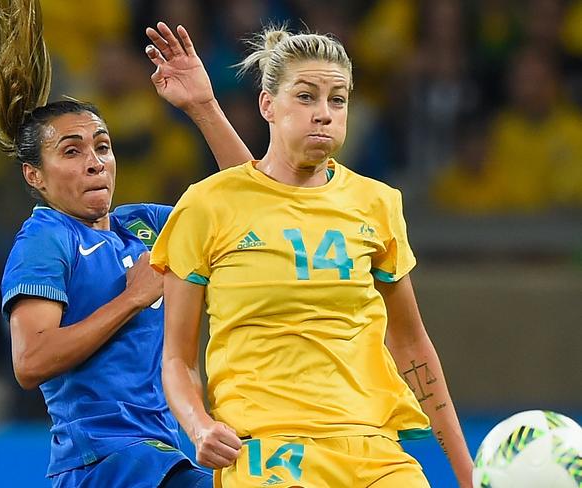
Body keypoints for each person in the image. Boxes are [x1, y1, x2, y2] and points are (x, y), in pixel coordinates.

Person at [151, 27, 474, 487]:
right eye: (305, 97)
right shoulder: (206, 206)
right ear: (268, 105)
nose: (323, 113)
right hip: (269, 453)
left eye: (337, 100)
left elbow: (412, 346)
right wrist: (199, 425)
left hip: (375, 451)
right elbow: (178, 361)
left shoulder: (378, 204)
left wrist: (469, 475)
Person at [0, 1, 250, 486]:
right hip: (102, 464)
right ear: (33, 175)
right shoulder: (46, 238)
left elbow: (251, 205)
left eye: (102, 147)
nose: (95, 162)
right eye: (72, 151)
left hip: (159, 453)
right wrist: (133, 298)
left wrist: (202, 107)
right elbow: (30, 361)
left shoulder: (144, 226)